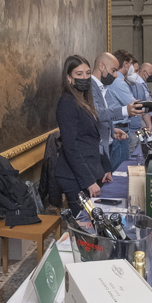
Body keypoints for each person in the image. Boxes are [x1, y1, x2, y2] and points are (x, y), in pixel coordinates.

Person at [55, 55, 110, 208]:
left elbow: (92, 139)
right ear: (69, 78)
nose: (85, 77)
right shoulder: (67, 103)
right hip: (74, 177)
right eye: (79, 74)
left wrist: (106, 167)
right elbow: (71, 146)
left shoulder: (84, 101)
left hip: (92, 168)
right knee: (84, 225)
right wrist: (89, 181)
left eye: (87, 73)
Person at [91, 52, 142, 170]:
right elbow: (97, 113)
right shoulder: (91, 86)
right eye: (113, 70)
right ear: (101, 66)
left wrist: (111, 130)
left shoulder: (101, 87)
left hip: (106, 141)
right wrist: (125, 110)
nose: (115, 75)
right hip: (96, 149)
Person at [105, 49, 144, 167]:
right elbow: (134, 104)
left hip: (118, 128)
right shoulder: (118, 81)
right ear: (126, 64)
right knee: (119, 169)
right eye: (131, 64)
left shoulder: (121, 80)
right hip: (119, 130)